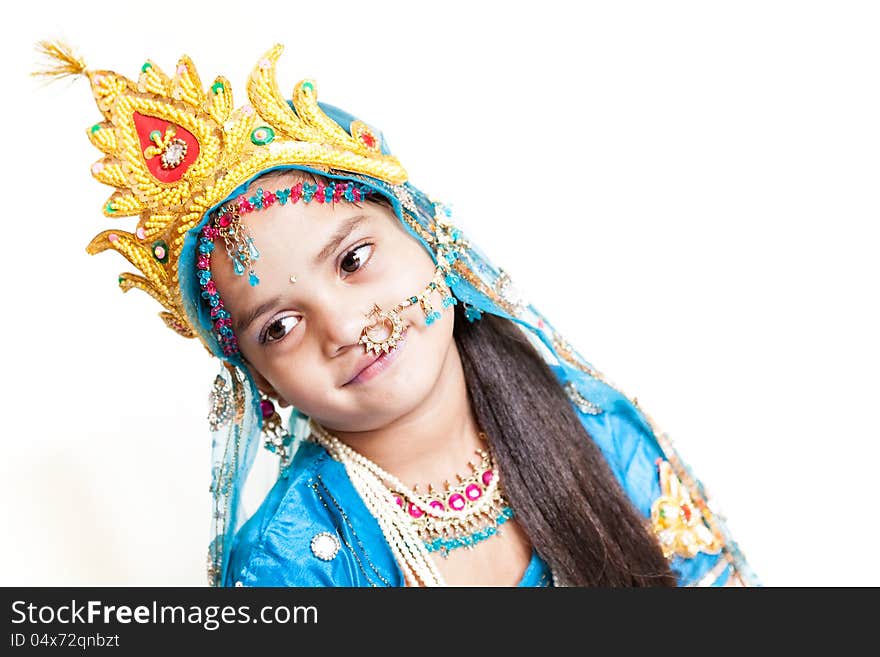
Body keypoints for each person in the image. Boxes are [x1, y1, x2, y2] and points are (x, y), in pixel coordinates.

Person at [36, 41, 757, 587]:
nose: (346, 326)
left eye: (353, 261)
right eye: (280, 327)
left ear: (427, 234)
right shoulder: (286, 563)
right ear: (261, 383)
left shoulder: (593, 427)